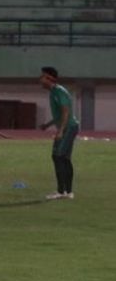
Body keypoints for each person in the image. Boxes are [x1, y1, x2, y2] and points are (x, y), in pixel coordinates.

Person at [39, 66, 79, 200]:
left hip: (68, 128)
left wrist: (61, 131)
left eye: (43, 76)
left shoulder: (59, 91)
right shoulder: (54, 92)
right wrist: (48, 125)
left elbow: (66, 111)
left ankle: (62, 191)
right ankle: (67, 192)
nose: (40, 79)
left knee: (58, 156)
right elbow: (60, 114)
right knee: (63, 158)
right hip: (68, 127)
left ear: (50, 78)